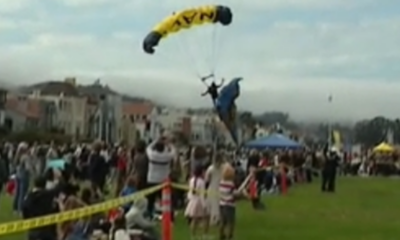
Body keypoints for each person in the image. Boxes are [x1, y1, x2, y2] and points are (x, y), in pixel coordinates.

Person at [146, 135, 175, 219]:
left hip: (151, 179)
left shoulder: (152, 155)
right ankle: (170, 216)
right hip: (164, 180)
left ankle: (149, 215)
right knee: (166, 200)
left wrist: (155, 140)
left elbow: (148, 148)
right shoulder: (167, 156)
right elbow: (173, 151)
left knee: (150, 200)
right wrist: (169, 144)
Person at [22, 176, 59, 240]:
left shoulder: (30, 196)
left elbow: (25, 209)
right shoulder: (50, 194)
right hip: (48, 230)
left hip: (34, 229)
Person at [185, 166, 208, 239]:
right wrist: (204, 205)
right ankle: (204, 235)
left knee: (194, 220)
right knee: (205, 218)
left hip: (192, 200)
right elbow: (202, 195)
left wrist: (190, 199)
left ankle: (193, 236)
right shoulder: (202, 182)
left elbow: (189, 192)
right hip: (198, 201)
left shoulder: (191, 180)